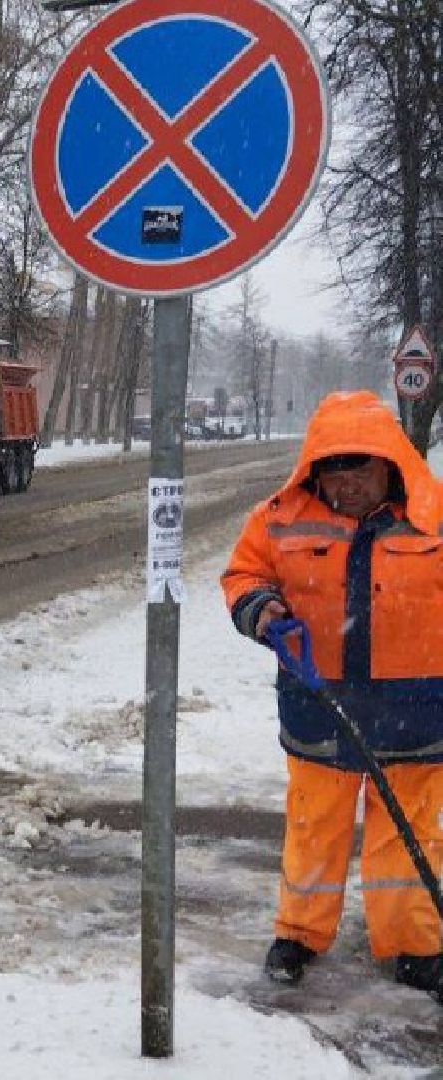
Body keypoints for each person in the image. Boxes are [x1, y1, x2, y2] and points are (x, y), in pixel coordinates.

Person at [222, 390, 443, 999]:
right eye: (331, 468)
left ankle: (412, 946)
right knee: (314, 825)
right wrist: (263, 613)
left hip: (416, 711)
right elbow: (244, 574)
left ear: (390, 461)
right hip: (319, 705)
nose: (343, 483)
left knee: (407, 834)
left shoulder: (435, 515)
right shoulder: (279, 517)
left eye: (358, 467)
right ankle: (297, 933)